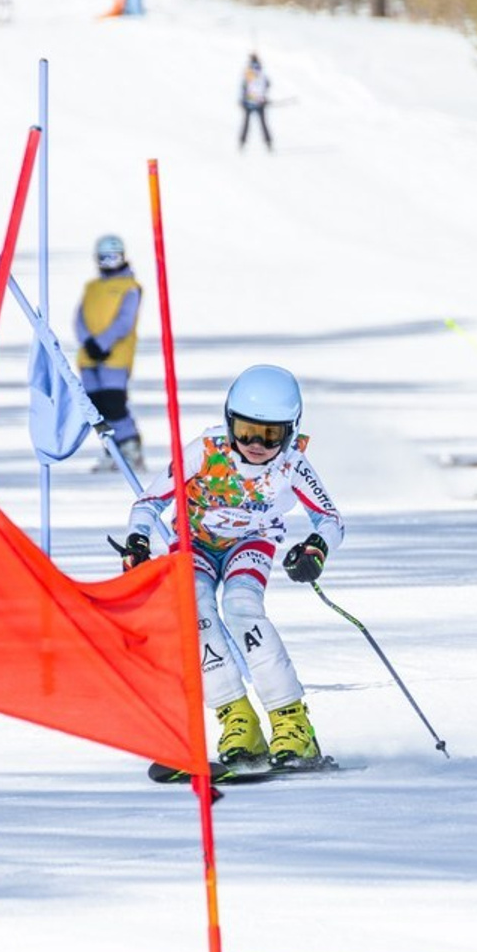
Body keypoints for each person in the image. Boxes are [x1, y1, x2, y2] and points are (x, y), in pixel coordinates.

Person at [119, 365, 345, 770]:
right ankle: (237, 719)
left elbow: (330, 519)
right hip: (195, 543)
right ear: (229, 422)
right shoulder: (205, 450)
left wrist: (316, 549)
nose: (256, 443)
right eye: (245, 431)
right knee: (195, 609)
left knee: (241, 606)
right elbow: (149, 502)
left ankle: (292, 724)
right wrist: (137, 539)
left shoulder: (291, 465)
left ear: (290, 432)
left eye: (271, 434)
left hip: (251, 541)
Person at [74, 234, 144, 471]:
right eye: (103, 258)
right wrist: (89, 342)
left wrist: (103, 343)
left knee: (114, 401)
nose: (108, 263)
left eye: (113, 257)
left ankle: (129, 444)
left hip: (115, 355)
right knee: (96, 405)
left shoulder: (129, 288)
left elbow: (124, 321)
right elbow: (80, 318)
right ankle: (111, 447)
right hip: (89, 356)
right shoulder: (92, 287)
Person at [239, 52, 273, 152]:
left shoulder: (248, 73)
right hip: (260, 104)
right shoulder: (262, 73)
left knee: (246, 124)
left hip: (249, 103)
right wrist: (264, 99)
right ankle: (268, 143)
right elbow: (267, 85)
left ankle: (242, 143)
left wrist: (242, 101)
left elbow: (244, 87)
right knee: (263, 124)